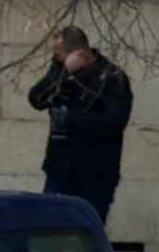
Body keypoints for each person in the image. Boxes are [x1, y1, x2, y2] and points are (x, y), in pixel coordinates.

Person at [33, 27, 134, 223]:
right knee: (48, 230)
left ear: (77, 53)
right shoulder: (62, 71)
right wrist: (63, 73)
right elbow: (36, 99)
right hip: (59, 172)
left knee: (86, 232)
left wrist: (69, 118)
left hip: (95, 176)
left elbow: (113, 124)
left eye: (60, 53)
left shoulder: (112, 78)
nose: (57, 58)